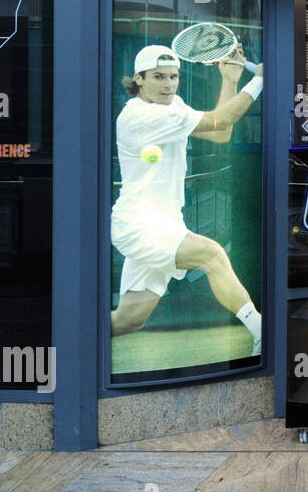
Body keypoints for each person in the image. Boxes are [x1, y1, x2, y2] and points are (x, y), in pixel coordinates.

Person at [110, 44, 264, 358]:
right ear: (139, 79)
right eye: (158, 77)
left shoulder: (173, 105)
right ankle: (262, 332)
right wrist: (259, 81)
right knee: (213, 256)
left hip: (164, 223)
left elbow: (221, 133)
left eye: (174, 76)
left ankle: (62, 341)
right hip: (140, 225)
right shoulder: (141, 116)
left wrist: (230, 80)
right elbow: (222, 119)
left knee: (128, 320)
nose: (168, 84)